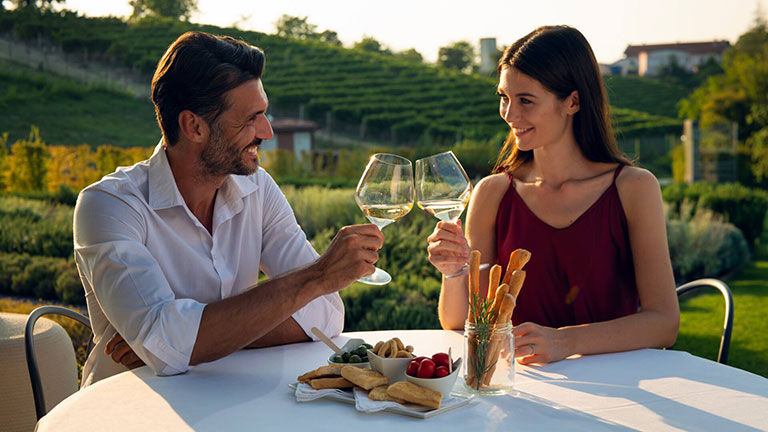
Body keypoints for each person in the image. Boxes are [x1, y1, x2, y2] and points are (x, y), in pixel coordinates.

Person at [73, 31, 383, 386]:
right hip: (128, 409)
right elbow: (165, 343)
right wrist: (315, 277)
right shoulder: (110, 205)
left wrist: (192, 340)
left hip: (228, 403)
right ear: (194, 126)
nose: (266, 131)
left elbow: (325, 314)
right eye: (251, 118)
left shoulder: (259, 188)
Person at [426, 26, 679, 365]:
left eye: (525, 100)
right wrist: (453, 272)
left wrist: (564, 342)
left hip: (621, 392)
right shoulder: (493, 193)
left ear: (573, 101)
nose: (509, 114)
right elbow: (460, 322)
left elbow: (664, 322)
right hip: (523, 389)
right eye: (504, 97)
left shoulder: (633, 188)